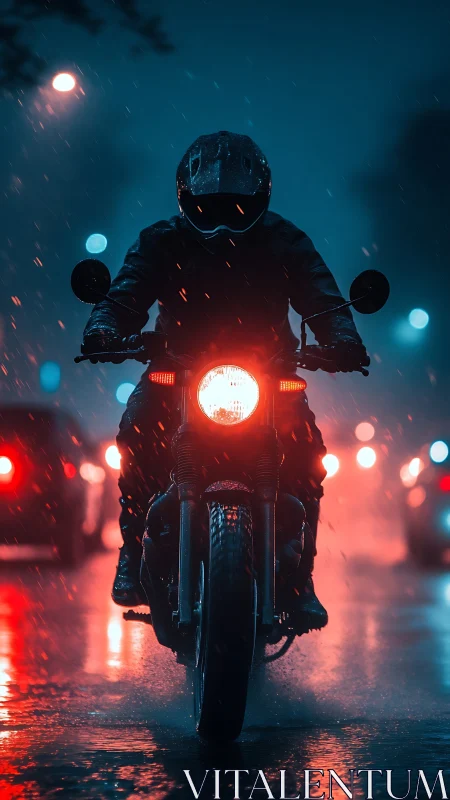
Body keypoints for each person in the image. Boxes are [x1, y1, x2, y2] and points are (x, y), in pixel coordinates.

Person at [81, 131, 369, 632]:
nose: (221, 221)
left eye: (235, 208)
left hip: (269, 373)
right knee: (136, 432)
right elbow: (124, 295)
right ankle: (133, 547)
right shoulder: (160, 241)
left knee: (307, 451)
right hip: (178, 372)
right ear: (186, 200)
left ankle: (301, 577)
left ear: (259, 200)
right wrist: (104, 328)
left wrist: (342, 337)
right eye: (209, 207)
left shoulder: (285, 241)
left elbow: (322, 298)